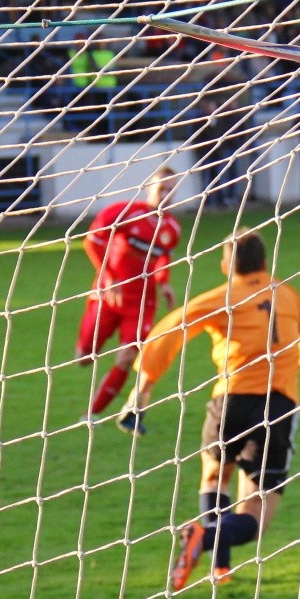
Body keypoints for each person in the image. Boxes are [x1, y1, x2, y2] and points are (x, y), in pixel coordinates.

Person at [120, 229, 300, 588]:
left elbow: (170, 330)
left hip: (229, 402)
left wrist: (143, 389)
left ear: (226, 266)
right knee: (256, 514)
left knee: (215, 477)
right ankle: (212, 552)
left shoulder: (223, 298)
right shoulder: (287, 293)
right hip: (277, 405)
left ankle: (217, 562)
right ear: (265, 262)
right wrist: (294, 361)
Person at [77, 167, 181, 422]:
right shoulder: (126, 212)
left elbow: (163, 256)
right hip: (109, 296)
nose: (166, 195)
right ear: (148, 188)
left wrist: (164, 282)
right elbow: (92, 241)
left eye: (171, 190)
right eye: (162, 189)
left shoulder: (172, 229)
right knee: (84, 357)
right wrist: (109, 275)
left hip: (142, 302)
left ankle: (91, 415)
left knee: (126, 358)